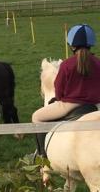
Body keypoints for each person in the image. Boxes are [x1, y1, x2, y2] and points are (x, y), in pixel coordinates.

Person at [32, 23, 100, 156]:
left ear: (72, 46)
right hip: (96, 104)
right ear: (91, 44)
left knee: (37, 117)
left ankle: (42, 157)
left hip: (69, 104)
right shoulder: (98, 63)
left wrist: (60, 99)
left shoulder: (66, 65)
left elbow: (59, 90)